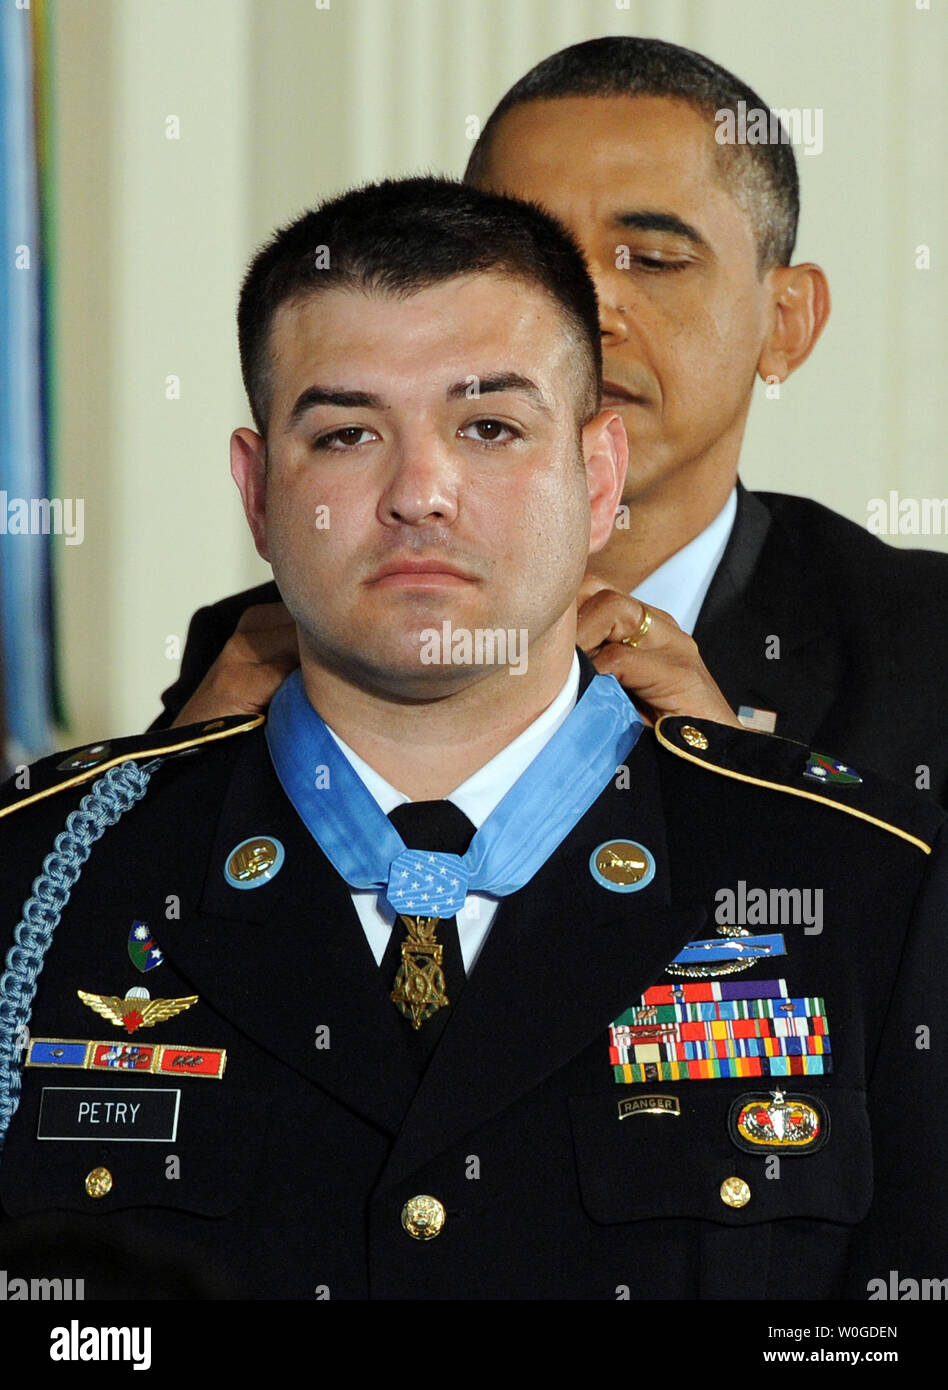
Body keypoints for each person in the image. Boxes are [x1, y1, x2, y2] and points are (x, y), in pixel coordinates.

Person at [1, 178, 945, 1301]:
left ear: (598, 478)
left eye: (489, 425)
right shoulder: (41, 872)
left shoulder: (872, 883)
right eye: (348, 433)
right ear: (258, 494)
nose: (421, 492)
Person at [154, 36, 948, 809]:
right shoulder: (266, 646)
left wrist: (742, 799)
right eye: (533, 258)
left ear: (787, 322)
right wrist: (179, 783)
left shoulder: (921, 648)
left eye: (654, 258)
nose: (588, 308)